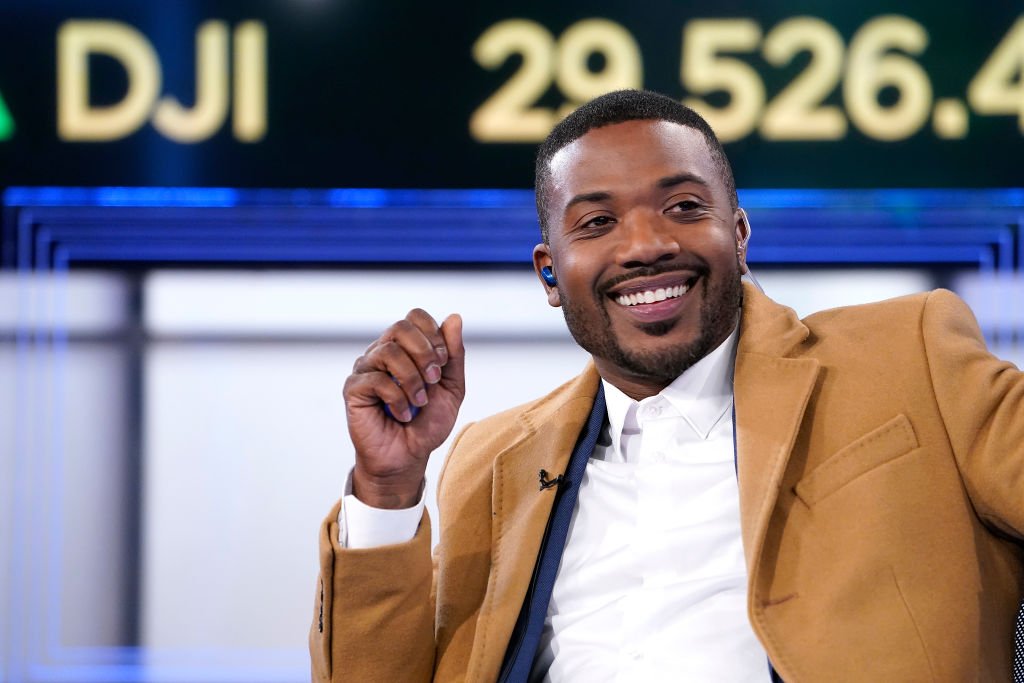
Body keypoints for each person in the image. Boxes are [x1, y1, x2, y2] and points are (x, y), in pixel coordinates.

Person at [310, 90, 1024, 681]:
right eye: (597, 222)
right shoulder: (490, 462)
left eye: (684, 207)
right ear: (549, 273)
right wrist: (387, 485)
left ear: (738, 233)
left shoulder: (907, 352)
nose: (647, 244)